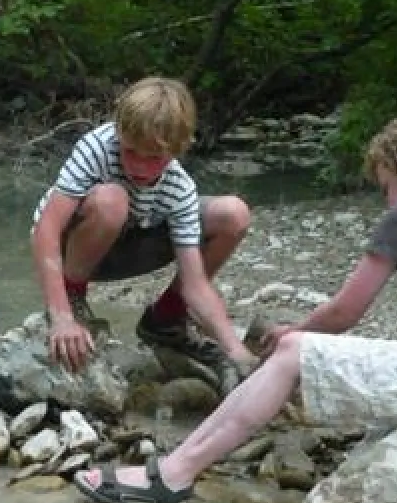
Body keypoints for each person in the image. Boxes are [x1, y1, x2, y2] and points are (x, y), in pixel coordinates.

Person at [75, 105, 397, 503]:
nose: (387, 201)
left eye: (385, 187)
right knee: (303, 356)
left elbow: (344, 313)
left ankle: (171, 476)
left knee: (293, 354)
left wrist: (293, 333)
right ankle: (183, 461)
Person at [29, 76, 259, 388]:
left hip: (130, 244)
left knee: (234, 213)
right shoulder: (98, 147)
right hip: (72, 246)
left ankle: (166, 319)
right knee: (112, 201)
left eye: (154, 158)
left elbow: (195, 283)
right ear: (119, 133)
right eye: (131, 152)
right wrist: (62, 316)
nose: (139, 166)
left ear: (177, 150)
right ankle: (73, 295)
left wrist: (235, 350)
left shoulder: (179, 188)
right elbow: (47, 227)